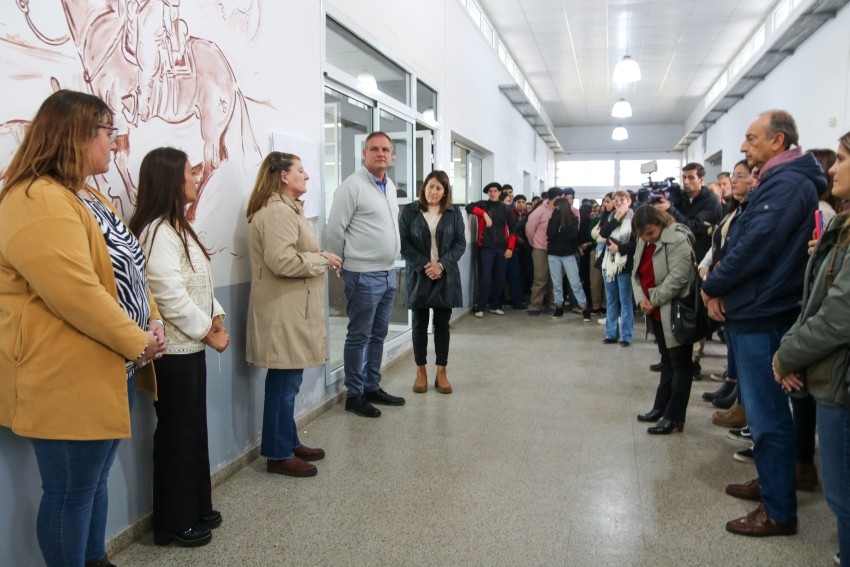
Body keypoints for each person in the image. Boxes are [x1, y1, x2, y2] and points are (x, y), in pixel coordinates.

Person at [0, 90, 165, 567]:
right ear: (75, 135)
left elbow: (129, 264)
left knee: (93, 481)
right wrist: (138, 341)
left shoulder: (84, 193)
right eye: (108, 133)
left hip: (110, 366)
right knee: (70, 492)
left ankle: (96, 559)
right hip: (64, 375)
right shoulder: (35, 198)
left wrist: (152, 318)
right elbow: (76, 293)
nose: (115, 144)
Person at [701, 110, 825, 537]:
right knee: (761, 410)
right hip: (756, 305)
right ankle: (773, 484)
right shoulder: (778, 181)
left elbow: (755, 246)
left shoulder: (787, 184)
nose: (742, 146)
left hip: (763, 311)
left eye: (751, 138)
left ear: (777, 141)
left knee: (768, 414)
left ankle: (778, 510)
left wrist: (712, 285)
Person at [128, 147, 229, 547]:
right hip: (173, 352)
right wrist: (208, 330)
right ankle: (173, 521)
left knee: (192, 429)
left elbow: (199, 280)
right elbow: (168, 294)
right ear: (172, 179)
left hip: (192, 347)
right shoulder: (155, 230)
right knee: (177, 434)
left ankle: (197, 505)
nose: (196, 177)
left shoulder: (176, 225)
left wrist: (216, 315)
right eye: (189, 172)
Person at [773, 130, 850, 566]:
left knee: (843, 497)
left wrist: (786, 355)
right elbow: (815, 299)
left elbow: (836, 316)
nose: (832, 169)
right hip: (827, 370)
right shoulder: (839, 226)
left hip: (841, 378)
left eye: (841, 159)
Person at [246, 152, 337, 475]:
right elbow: (282, 261)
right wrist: (322, 261)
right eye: (300, 170)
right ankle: (278, 453)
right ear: (283, 176)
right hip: (282, 312)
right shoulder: (276, 214)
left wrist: (318, 254)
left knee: (289, 382)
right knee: (283, 384)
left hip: (290, 309)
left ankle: (288, 439)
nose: (307, 176)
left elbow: (296, 252)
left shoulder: (287, 211)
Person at [326, 132, 406, 418]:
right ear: (364, 152)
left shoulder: (390, 187)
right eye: (374, 149)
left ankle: (372, 386)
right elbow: (335, 229)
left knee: (379, 334)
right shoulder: (351, 187)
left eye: (385, 149)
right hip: (362, 274)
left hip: (387, 273)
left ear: (392, 154)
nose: (380, 153)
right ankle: (355, 394)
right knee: (359, 335)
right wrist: (340, 261)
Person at [399, 171, 466, 394]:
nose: (433, 192)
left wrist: (442, 265)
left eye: (438, 188)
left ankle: (441, 372)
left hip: (445, 275)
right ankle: (421, 372)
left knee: (442, 325)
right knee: (419, 324)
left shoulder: (454, 213)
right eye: (430, 186)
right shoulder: (409, 211)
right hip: (419, 274)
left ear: (445, 191)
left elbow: (460, 244)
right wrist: (426, 266)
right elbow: (404, 244)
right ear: (424, 187)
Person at [632, 206, 696, 434]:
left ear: (660, 222)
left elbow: (679, 277)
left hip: (673, 310)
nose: (647, 238)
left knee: (680, 364)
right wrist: (641, 299)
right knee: (666, 360)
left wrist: (653, 299)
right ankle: (660, 407)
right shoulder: (643, 239)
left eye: (650, 233)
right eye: (642, 235)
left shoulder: (677, 238)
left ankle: (675, 416)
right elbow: (636, 273)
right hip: (654, 310)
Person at [465, 182, 517, 317]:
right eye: (490, 191)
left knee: (499, 278)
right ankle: (480, 306)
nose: (493, 193)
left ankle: (495, 305)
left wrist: (510, 247)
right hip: (486, 248)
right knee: (485, 277)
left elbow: (514, 229)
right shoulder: (483, 205)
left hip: (502, 248)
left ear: (500, 193)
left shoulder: (506, 209)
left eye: (495, 191)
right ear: (488, 193)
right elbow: (468, 207)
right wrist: (484, 214)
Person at [598, 190, 637, 346]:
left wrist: (619, 248)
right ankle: (611, 333)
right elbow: (604, 233)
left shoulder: (635, 219)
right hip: (609, 263)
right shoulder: (610, 216)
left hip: (625, 264)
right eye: (616, 200)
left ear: (629, 201)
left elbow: (636, 244)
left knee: (625, 300)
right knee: (611, 300)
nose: (618, 203)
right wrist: (616, 218)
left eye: (622, 200)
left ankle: (626, 335)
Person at [546, 197, 590, 320]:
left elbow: (571, 237)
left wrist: (556, 238)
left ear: (562, 207)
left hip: (568, 255)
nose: (554, 209)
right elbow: (549, 234)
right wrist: (555, 218)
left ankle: (584, 307)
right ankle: (558, 307)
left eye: (556, 207)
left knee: (575, 282)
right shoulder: (553, 218)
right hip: (553, 255)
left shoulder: (574, 219)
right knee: (557, 283)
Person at [525, 187, 562, 315]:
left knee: (554, 279)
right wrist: (535, 244)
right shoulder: (539, 211)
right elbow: (529, 230)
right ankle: (535, 306)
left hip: (556, 250)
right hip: (540, 249)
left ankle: (551, 304)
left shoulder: (561, 210)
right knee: (540, 278)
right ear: (556, 198)